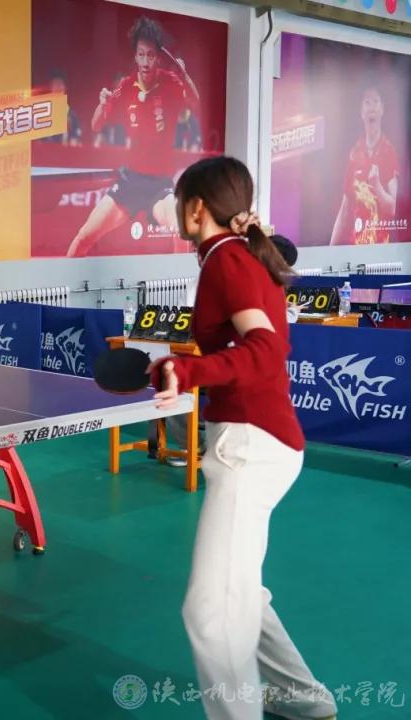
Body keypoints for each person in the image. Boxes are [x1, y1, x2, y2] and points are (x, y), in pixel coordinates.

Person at [147, 157, 337, 720]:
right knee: (242, 592)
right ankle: (303, 699)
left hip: (251, 446)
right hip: (263, 439)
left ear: (195, 208)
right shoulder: (236, 254)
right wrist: (187, 371)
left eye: (178, 202)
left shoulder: (227, 259)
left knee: (210, 614)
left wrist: (189, 371)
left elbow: (267, 350)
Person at [66, 16, 200, 257]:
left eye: (151, 55)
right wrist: (102, 105)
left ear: (158, 57)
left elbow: (195, 101)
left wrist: (184, 75)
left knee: (181, 231)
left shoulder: (171, 82)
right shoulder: (126, 87)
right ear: (135, 56)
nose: (145, 61)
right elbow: (96, 125)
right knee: (83, 236)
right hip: (130, 182)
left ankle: (179, 282)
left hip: (160, 186)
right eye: (141, 55)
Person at [329, 85, 400, 246]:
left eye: (375, 101)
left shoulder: (388, 151)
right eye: (367, 102)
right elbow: (345, 209)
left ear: (382, 109)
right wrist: (329, 250)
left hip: (382, 249)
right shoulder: (354, 153)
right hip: (357, 248)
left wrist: (377, 186)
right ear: (361, 112)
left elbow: (392, 208)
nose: (371, 107)